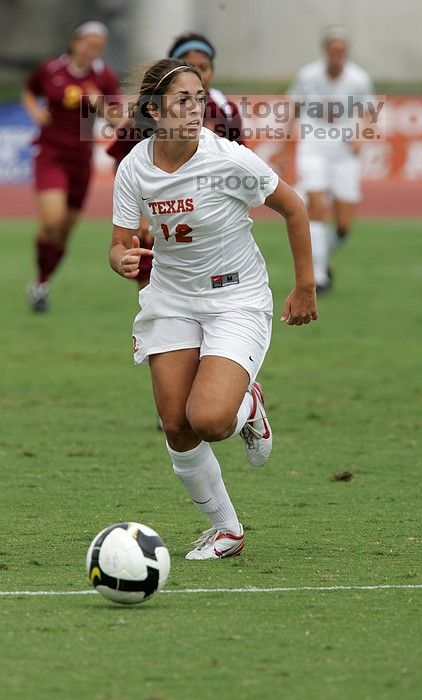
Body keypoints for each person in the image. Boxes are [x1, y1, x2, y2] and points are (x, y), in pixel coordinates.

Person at [109, 58, 318, 560]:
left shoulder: (229, 159)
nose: (196, 107)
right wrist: (122, 259)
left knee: (209, 419)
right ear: (155, 112)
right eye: (183, 99)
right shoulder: (134, 166)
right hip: (171, 298)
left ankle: (248, 406)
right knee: (177, 425)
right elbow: (117, 244)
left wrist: (305, 286)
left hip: (235, 298)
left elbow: (294, 207)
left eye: (200, 97)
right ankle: (227, 529)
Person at [107, 31, 244, 290]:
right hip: (161, 218)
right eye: (191, 67)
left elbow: (241, 166)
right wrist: (141, 217)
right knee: (154, 289)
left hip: (208, 223)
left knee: (214, 288)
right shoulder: (150, 111)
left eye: (204, 68)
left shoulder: (225, 109)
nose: (199, 74)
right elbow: (123, 162)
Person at [23, 20, 120, 311]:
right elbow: (29, 91)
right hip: (50, 154)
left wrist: (99, 103)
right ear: (75, 42)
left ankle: (41, 283)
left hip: (81, 160)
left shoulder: (103, 77)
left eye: (99, 47)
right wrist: (35, 111)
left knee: (64, 232)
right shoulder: (51, 69)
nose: (93, 51)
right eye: (89, 44)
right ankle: (41, 282)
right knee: (51, 221)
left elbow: (117, 119)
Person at [274, 26, 375, 293]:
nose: (336, 55)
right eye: (332, 50)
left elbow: (368, 113)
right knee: (316, 208)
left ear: (346, 52)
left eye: (341, 50)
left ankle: (323, 259)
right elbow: (293, 111)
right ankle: (317, 275)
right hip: (314, 146)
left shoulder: (359, 79)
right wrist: (284, 150)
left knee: (343, 225)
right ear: (325, 50)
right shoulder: (308, 76)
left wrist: (362, 136)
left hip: (344, 152)